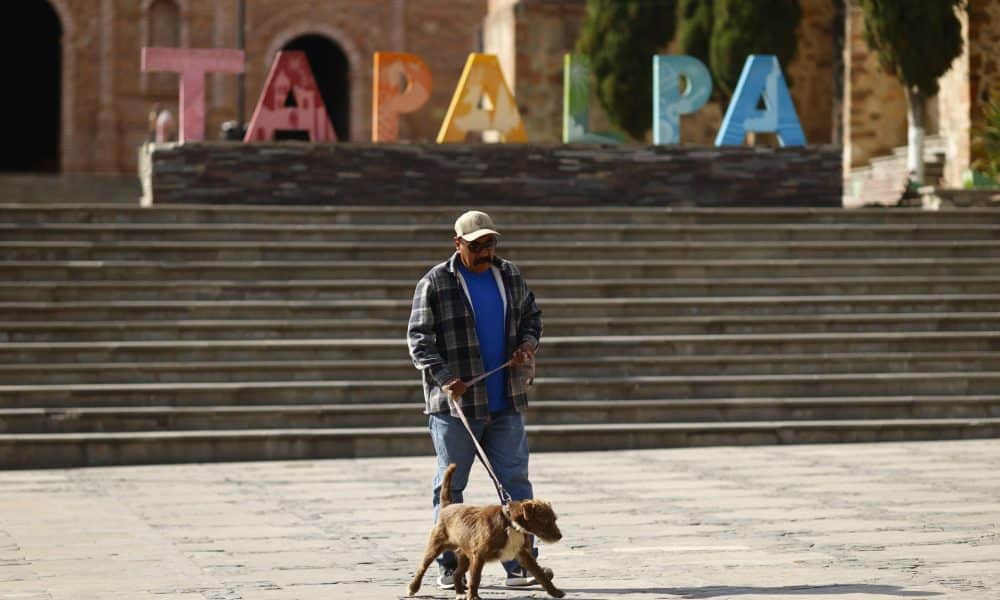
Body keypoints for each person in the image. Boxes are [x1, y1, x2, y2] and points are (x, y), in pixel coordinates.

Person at [407, 210, 550, 590]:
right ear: (458, 244)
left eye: (490, 244)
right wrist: (445, 377)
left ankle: (520, 564)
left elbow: (533, 317)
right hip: (457, 407)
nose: (485, 252)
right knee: (452, 488)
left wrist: (526, 344)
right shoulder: (435, 282)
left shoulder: (510, 275)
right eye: (476, 246)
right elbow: (418, 339)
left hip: (506, 400)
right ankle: (448, 562)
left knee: (517, 485)